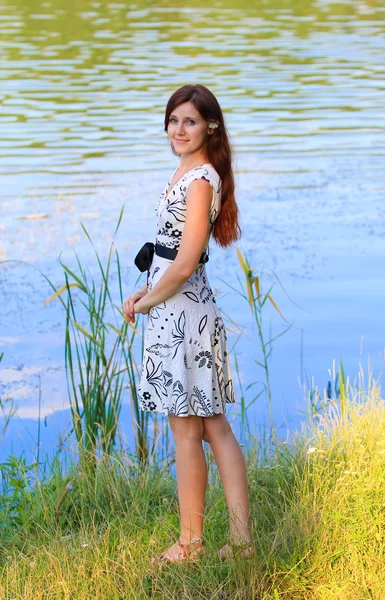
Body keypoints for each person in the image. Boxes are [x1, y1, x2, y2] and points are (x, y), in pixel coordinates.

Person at [122, 84, 254, 564]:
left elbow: (185, 262)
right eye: (174, 120)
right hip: (175, 306)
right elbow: (167, 253)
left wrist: (147, 302)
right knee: (211, 424)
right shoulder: (186, 171)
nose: (179, 129)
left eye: (190, 121)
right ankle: (238, 543)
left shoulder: (200, 179)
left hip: (183, 314)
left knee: (191, 428)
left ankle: (191, 544)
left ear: (210, 127)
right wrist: (143, 290)